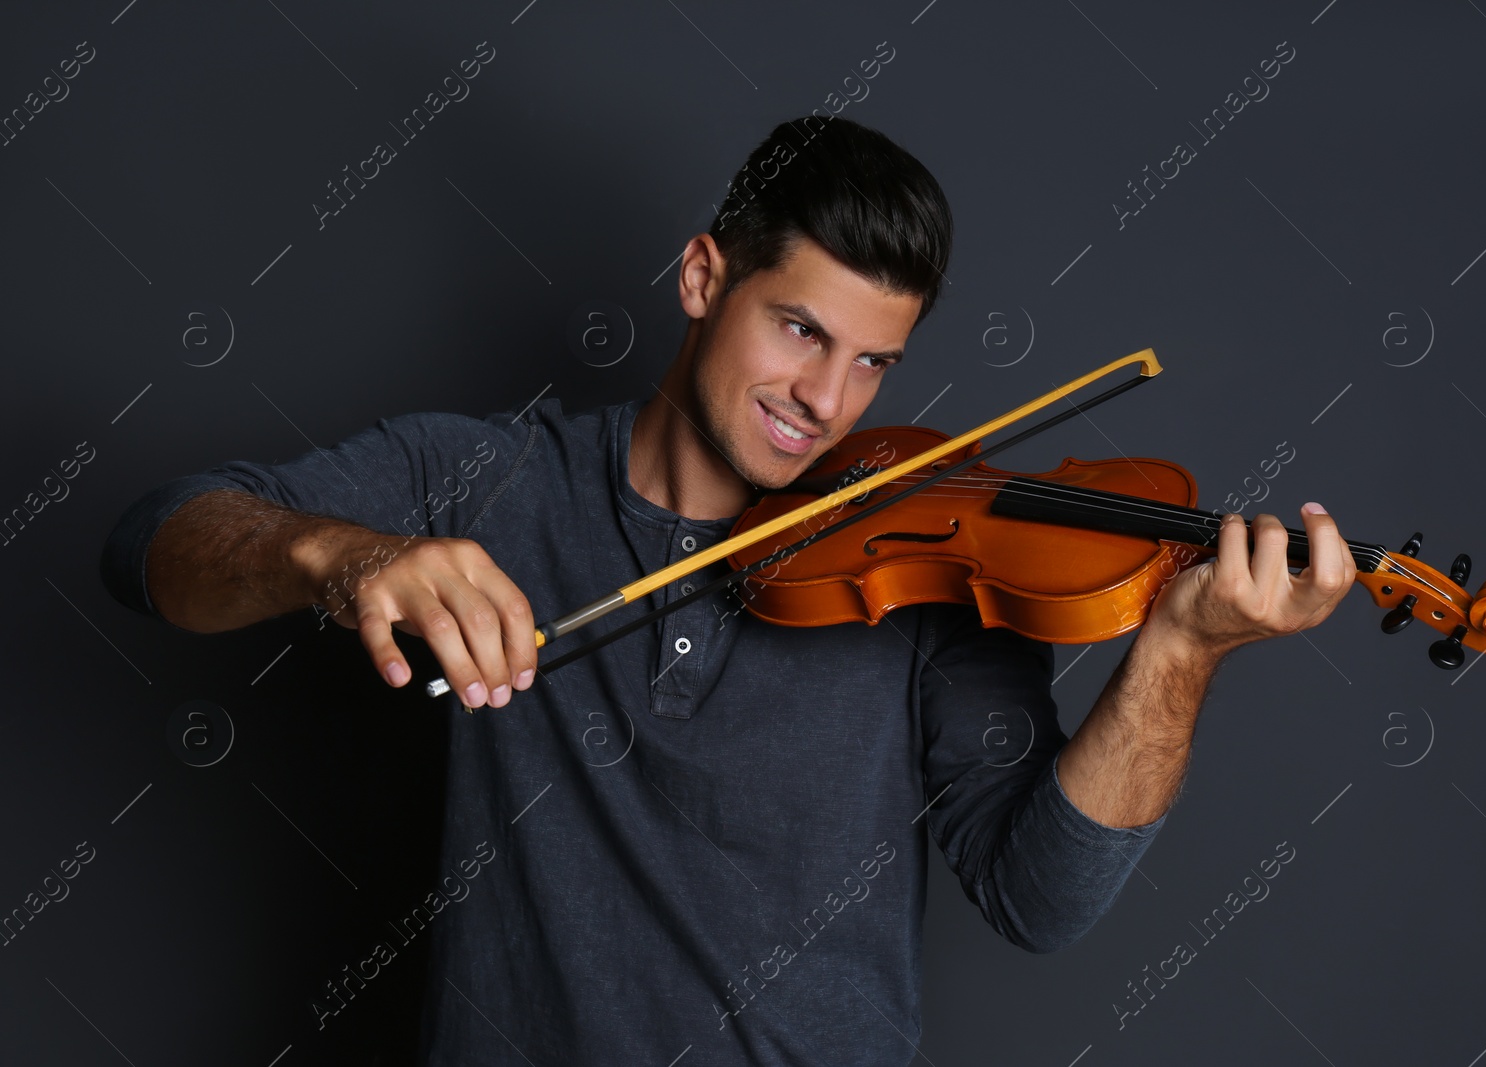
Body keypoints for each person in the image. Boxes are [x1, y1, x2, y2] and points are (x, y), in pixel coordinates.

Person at [100, 115, 1356, 1064]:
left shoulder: (920, 553)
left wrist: (1178, 654)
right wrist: (343, 556)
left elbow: (1037, 898)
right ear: (704, 278)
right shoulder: (488, 478)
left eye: (874, 362)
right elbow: (159, 547)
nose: (827, 402)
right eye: (801, 331)